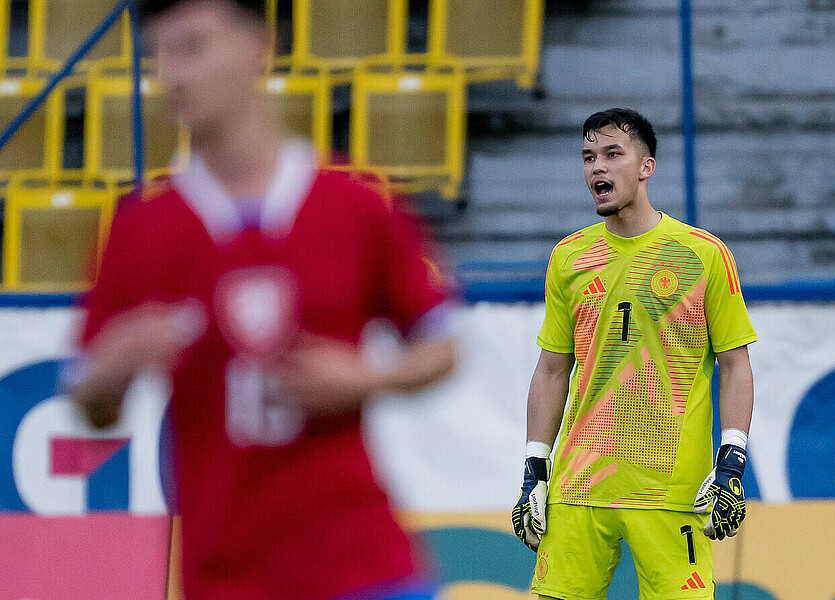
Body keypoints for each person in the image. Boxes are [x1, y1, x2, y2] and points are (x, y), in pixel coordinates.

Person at [68, 1, 456, 599]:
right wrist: (114, 366)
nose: (172, 74)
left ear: (258, 45)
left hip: (362, 565)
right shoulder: (139, 226)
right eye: (160, 55)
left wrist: (367, 378)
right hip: (226, 577)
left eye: (193, 47)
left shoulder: (353, 200)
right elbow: (89, 400)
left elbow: (442, 344)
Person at [512, 108, 756, 599]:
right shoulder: (568, 258)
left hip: (669, 489)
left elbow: (735, 364)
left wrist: (732, 460)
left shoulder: (702, 255)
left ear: (646, 167)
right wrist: (535, 466)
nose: (597, 168)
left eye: (612, 155)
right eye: (588, 157)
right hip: (580, 486)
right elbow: (552, 368)